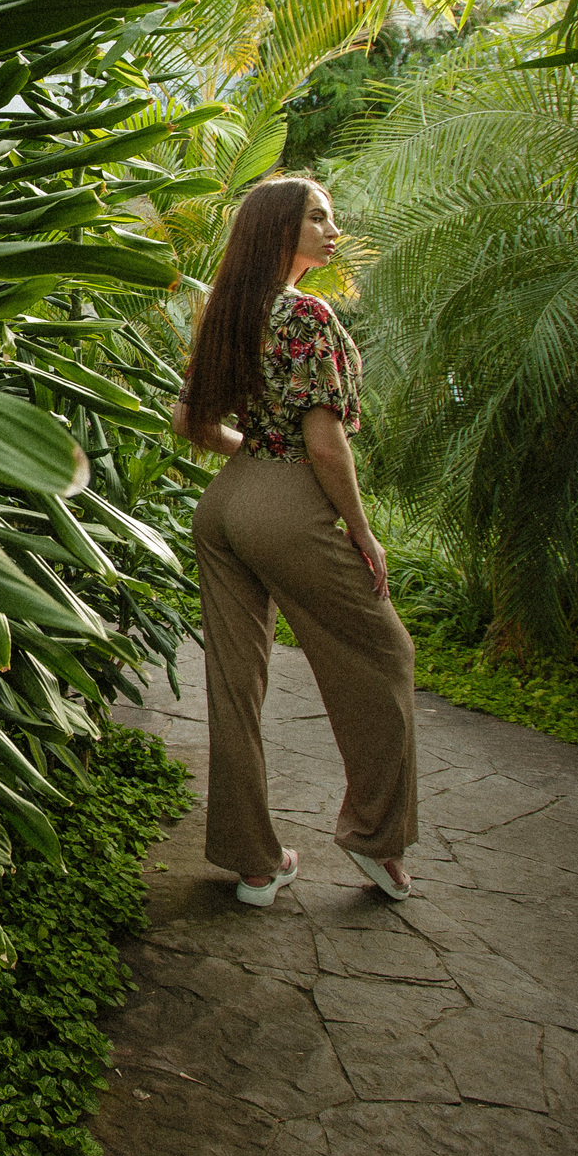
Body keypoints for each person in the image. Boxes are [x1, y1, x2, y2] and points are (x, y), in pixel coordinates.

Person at [170, 175, 418, 907]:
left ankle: (254, 862)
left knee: (234, 684)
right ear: (281, 228)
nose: (332, 229)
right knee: (387, 653)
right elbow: (325, 444)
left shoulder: (228, 312)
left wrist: (254, 453)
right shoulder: (305, 313)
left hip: (224, 506)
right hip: (283, 504)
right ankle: (376, 838)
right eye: (318, 217)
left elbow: (189, 422)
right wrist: (362, 531)